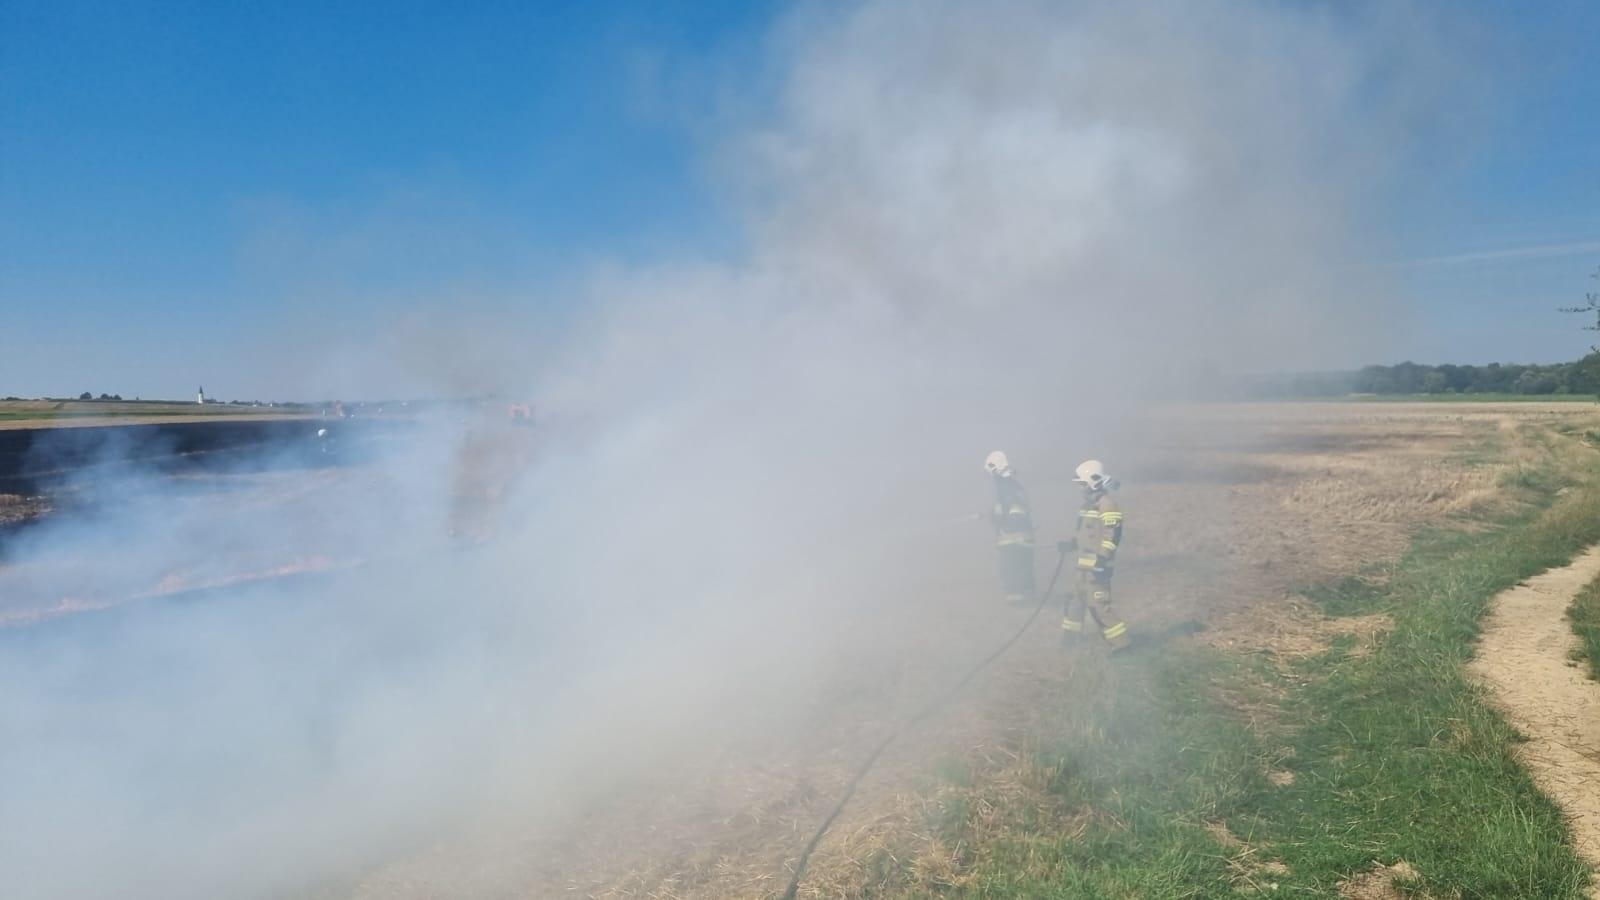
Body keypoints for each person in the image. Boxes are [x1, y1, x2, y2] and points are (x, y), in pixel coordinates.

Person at [1061, 459, 1130, 650]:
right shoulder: (1088, 506)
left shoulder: (1107, 505)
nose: (1081, 489)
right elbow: (1087, 535)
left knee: (1098, 606)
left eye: (1083, 484)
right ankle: (1070, 642)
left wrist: (1102, 558)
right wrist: (1071, 544)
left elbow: (1112, 534)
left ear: (1094, 481)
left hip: (1098, 568)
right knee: (1074, 602)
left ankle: (1122, 645)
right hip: (1083, 568)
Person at [984, 450, 1036, 605]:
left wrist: (1005, 524)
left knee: (1011, 571)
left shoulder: (1006, 487)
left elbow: (1015, 511)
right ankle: (1025, 599)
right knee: (1022, 571)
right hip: (1019, 538)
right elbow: (1007, 509)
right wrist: (993, 515)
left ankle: (1019, 603)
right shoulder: (1011, 485)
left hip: (1013, 540)